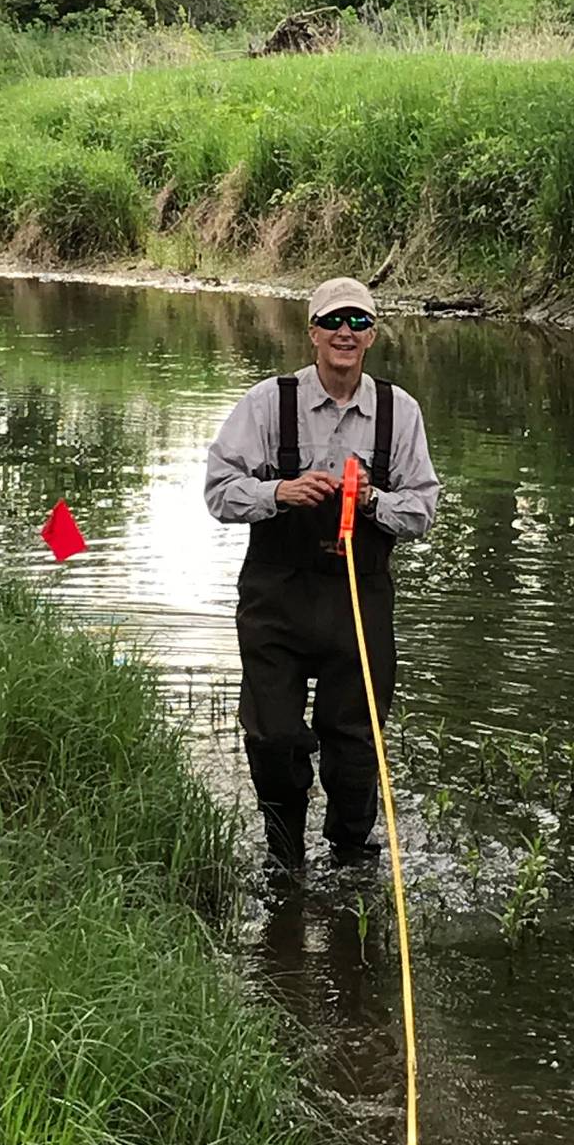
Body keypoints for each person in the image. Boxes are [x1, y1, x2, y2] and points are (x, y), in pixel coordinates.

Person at [205, 276, 439, 867]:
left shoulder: (399, 412)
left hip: (359, 599)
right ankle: (285, 859)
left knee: (356, 741)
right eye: (334, 321)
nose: (345, 332)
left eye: (358, 323)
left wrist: (372, 503)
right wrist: (280, 491)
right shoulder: (267, 403)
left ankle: (351, 857)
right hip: (275, 597)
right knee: (274, 736)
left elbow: (422, 510)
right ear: (312, 332)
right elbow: (219, 492)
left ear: (372, 337)